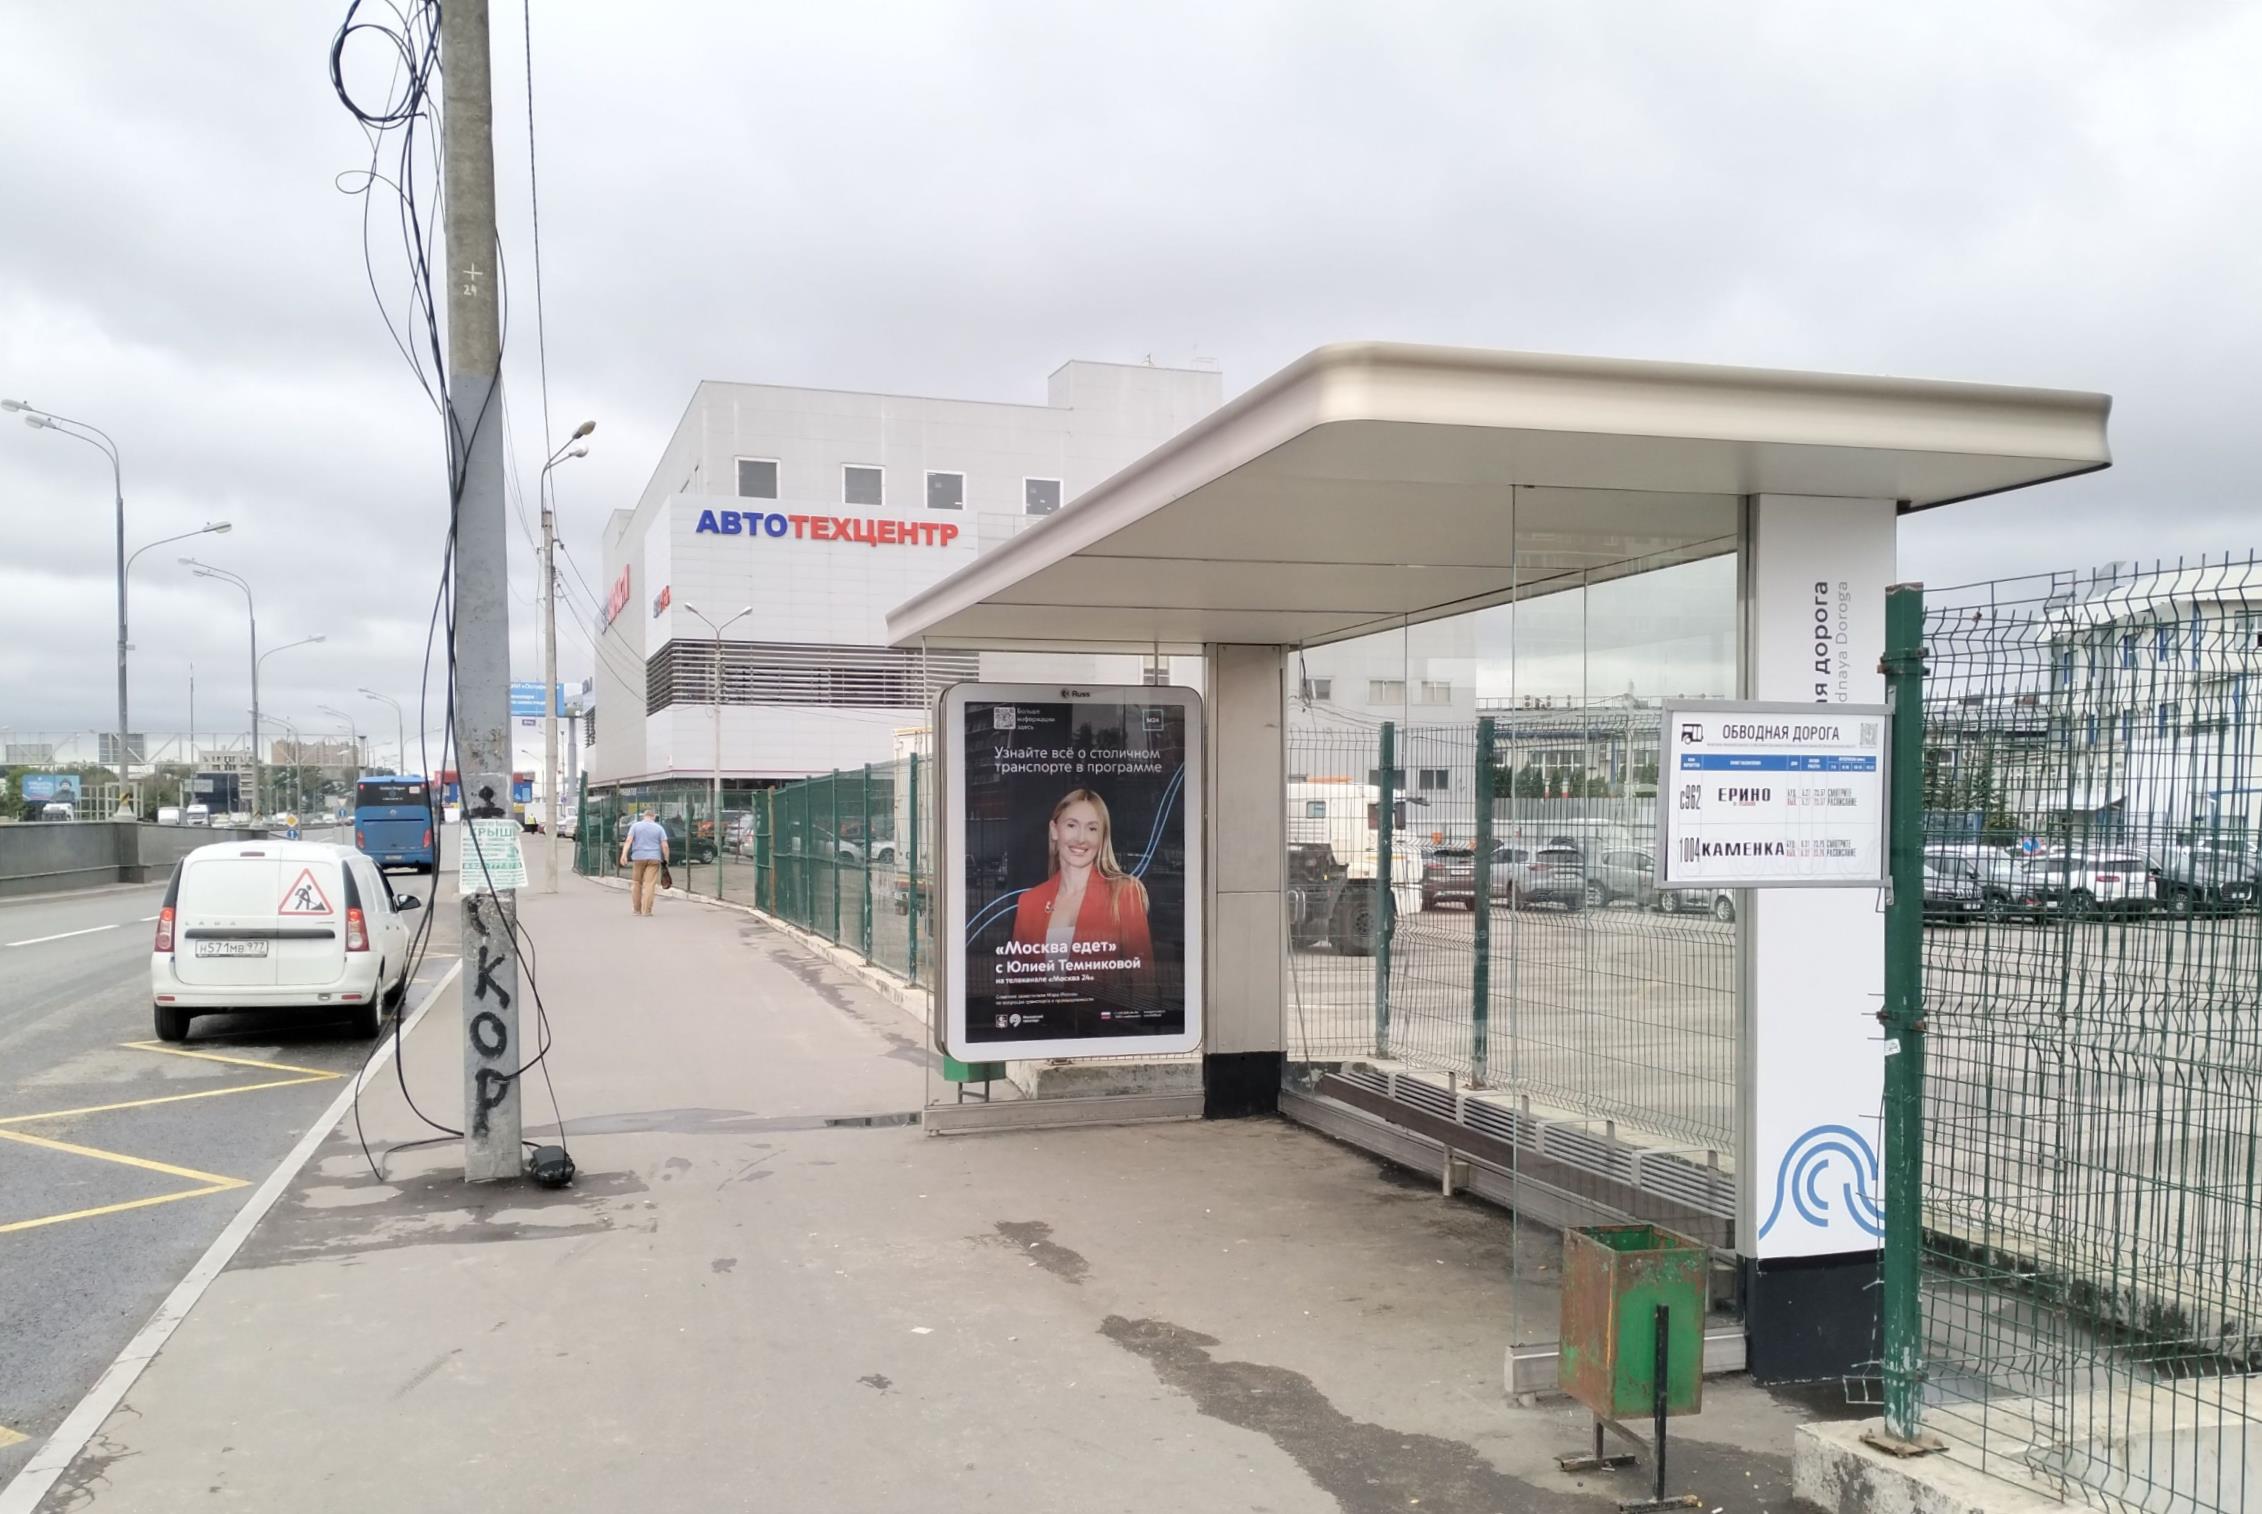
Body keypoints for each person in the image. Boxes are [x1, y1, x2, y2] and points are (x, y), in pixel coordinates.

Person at [1008, 788, 1153, 963]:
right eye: (1071, 825)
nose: (1081, 839)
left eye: (1092, 828)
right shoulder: (1029, 903)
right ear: (1054, 830)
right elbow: (1020, 978)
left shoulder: (1124, 894)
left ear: (1102, 837)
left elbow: (1142, 976)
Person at [619, 808, 670, 915]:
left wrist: (624, 855)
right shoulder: (659, 828)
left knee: (636, 883)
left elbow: (628, 840)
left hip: (638, 858)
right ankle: (646, 910)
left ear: (643, 816)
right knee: (649, 884)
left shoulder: (635, 826)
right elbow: (665, 846)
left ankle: (637, 909)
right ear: (654, 817)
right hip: (654, 858)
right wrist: (666, 859)